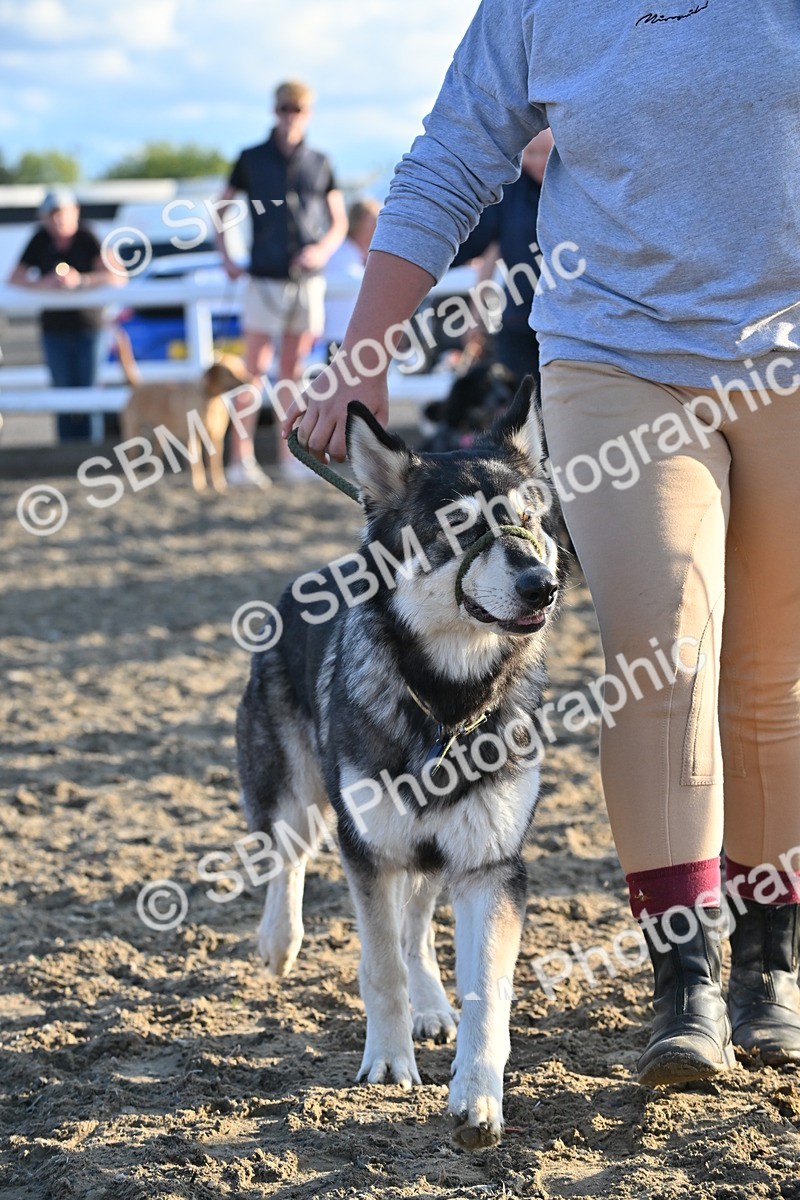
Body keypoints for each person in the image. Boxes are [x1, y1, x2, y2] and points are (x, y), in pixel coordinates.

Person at [284, 0, 800, 1084]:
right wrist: (361, 354)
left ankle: (770, 959)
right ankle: (687, 979)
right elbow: (448, 159)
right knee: (662, 653)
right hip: (616, 353)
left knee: (769, 673)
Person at [216, 79, 347, 485]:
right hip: (264, 277)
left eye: (297, 109)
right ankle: (240, 460)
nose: (290, 116)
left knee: (293, 371)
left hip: (305, 278)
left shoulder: (321, 161)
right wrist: (228, 258)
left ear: (308, 113)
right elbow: (221, 209)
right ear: (275, 111)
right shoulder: (251, 158)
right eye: (284, 108)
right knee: (252, 371)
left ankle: (290, 457)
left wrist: (321, 251)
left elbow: (338, 221)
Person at [8, 188, 125, 442]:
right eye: (52, 214)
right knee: (61, 393)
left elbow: (117, 275)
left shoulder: (88, 236)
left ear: (75, 212)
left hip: (89, 327)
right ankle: (66, 452)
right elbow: (14, 278)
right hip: (54, 329)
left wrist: (80, 281)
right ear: (44, 218)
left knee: (89, 393)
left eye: (61, 212)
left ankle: (91, 450)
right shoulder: (40, 239)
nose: (57, 219)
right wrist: (44, 285)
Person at [322, 198, 381, 353]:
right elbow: (356, 280)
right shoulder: (339, 251)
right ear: (358, 222)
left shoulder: (368, 254)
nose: (377, 226)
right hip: (337, 336)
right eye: (372, 221)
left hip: (361, 337)